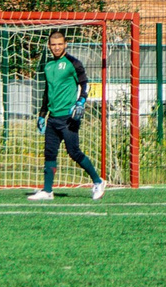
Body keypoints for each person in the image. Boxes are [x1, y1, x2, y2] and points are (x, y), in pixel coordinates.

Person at [27, 30, 106, 202]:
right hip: (53, 118)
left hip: (68, 118)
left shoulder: (73, 63)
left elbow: (85, 84)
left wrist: (80, 102)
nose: (56, 48)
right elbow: (47, 92)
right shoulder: (48, 66)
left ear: (65, 44)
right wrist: (42, 115)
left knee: (74, 152)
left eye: (60, 44)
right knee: (49, 153)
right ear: (49, 46)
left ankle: (98, 181)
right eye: (53, 45)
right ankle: (47, 190)